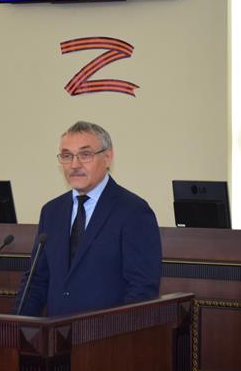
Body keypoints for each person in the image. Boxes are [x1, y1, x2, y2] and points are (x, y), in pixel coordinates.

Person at [14, 121, 162, 317]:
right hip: (56, 331)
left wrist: (114, 331)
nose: (75, 165)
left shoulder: (133, 211)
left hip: (107, 333)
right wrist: (17, 326)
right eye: (67, 156)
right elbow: (36, 280)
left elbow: (142, 289)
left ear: (107, 157)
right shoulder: (51, 211)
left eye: (85, 155)